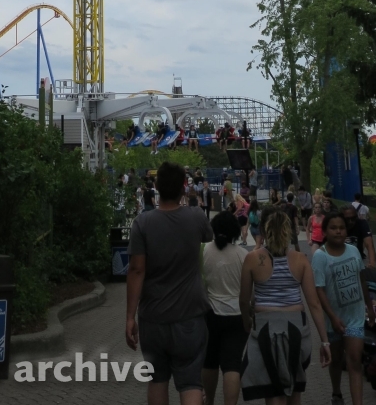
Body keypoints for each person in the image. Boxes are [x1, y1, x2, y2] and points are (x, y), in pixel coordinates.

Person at [126, 161, 214, 405]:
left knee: (156, 379)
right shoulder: (195, 217)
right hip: (190, 317)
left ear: (156, 187)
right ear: (184, 187)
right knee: (191, 383)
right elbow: (209, 236)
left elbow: (136, 270)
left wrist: (129, 317)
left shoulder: (142, 224)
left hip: (152, 318)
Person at [240, 208, 331, 403]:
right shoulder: (300, 260)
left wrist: (247, 323)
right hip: (296, 329)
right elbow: (314, 304)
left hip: (264, 328)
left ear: (264, 232)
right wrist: (324, 341)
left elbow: (244, 300)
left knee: (272, 389)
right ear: (289, 232)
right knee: (295, 385)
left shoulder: (252, 259)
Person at [313, 212, 376, 405]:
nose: (338, 231)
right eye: (333, 228)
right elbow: (320, 290)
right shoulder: (320, 257)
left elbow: (361, 279)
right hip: (334, 319)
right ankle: (336, 393)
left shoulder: (354, 251)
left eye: (341, 227)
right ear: (325, 231)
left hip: (355, 316)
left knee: (355, 360)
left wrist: (370, 306)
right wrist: (332, 317)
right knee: (337, 359)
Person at [201, 211, 247, 405]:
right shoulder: (244, 255)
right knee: (232, 365)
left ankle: (209, 400)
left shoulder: (202, 251)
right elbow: (248, 291)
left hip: (209, 314)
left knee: (209, 361)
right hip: (237, 316)